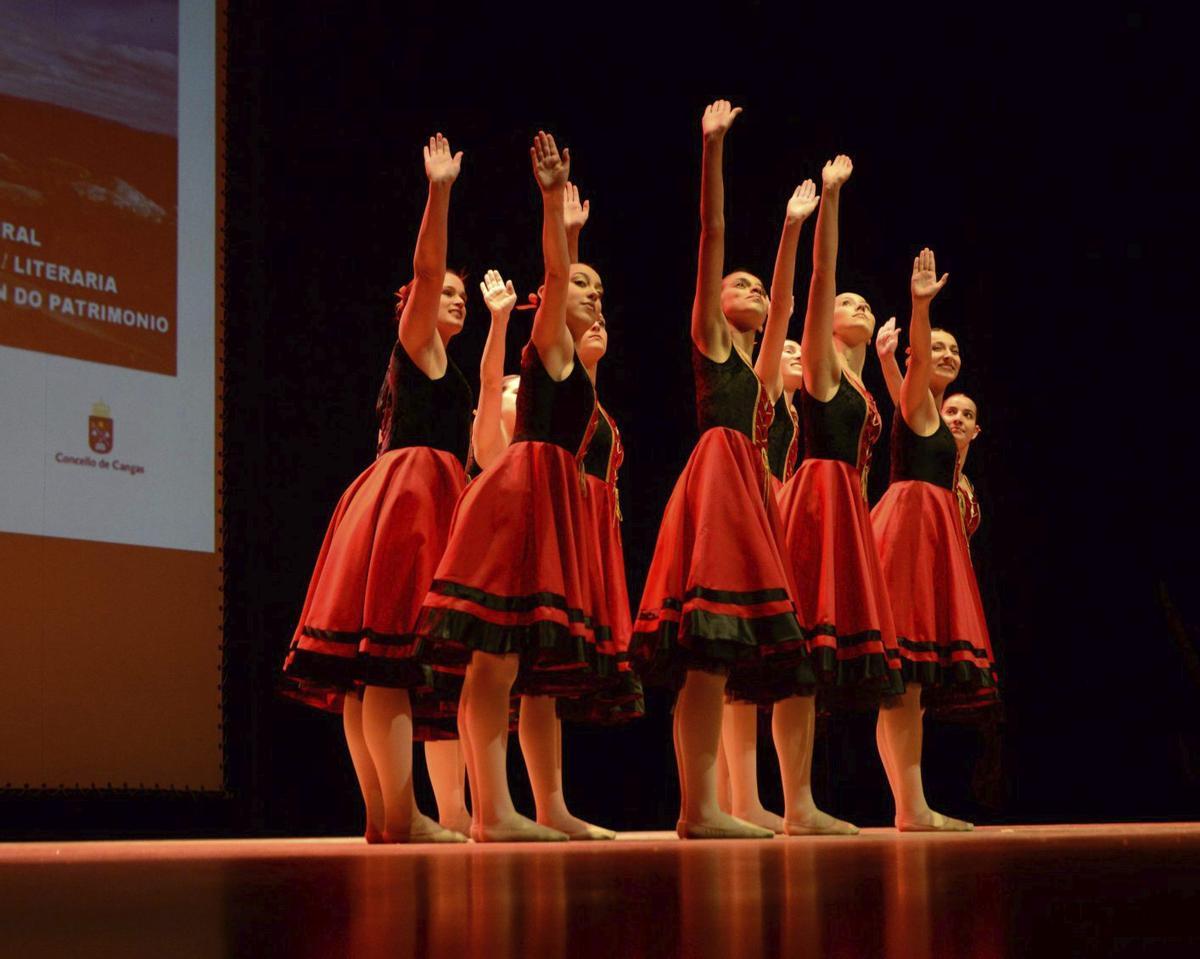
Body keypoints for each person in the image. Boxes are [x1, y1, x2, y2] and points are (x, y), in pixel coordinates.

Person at [418, 133, 614, 842]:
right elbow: (558, 278)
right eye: (584, 288)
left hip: (548, 502)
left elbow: (566, 279)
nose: (593, 296)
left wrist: (569, 233)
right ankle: (492, 812)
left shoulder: (577, 361)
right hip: (520, 498)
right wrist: (553, 203)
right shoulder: (549, 342)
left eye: (600, 290)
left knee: (535, 671)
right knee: (496, 658)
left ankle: (548, 805)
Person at [631, 101, 815, 840]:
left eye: (756, 288)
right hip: (716, 483)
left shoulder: (765, 371)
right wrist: (712, 149)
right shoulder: (709, 339)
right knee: (704, 652)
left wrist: (794, 228)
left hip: (749, 493)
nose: (753, 292)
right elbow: (712, 234)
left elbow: (790, 298)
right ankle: (698, 806)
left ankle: (711, 805)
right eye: (740, 286)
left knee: (724, 658)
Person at [282, 134, 471, 843]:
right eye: (444, 292)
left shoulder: (442, 361)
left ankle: (385, 815)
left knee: (369, 672)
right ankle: (402, 812)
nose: (453, 298)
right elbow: (426, 268)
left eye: (459, 294)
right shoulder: (418, 340)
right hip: (411, 501)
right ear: (412, 302)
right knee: (388, 660)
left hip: (398, 496)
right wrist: (439, 191)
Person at [871, 249, 999, 831]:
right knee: (910, 676)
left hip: (924, 529)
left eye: (955, 350)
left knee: (909, 684)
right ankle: (912, 806)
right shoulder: (924, 402)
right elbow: (917, 364)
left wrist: (890, 364)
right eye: (938, 347)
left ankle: (909, 804)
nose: (946, 354)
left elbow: (908, 387)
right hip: (912, 534)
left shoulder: (922, 406)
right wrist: (920, 306)